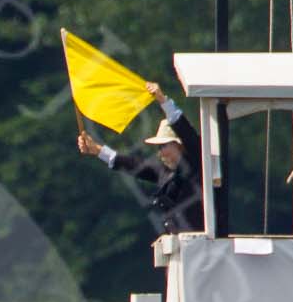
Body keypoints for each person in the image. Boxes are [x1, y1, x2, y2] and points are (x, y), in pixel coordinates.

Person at [76, 81, 204, 236]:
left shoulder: (199, 164)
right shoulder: (166, 174)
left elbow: (187, 133)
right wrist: (97, 150)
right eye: (159, 148)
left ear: (179, 145)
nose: (160, 153)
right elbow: (135, 165)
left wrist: (163, 100)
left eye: (164, 146)